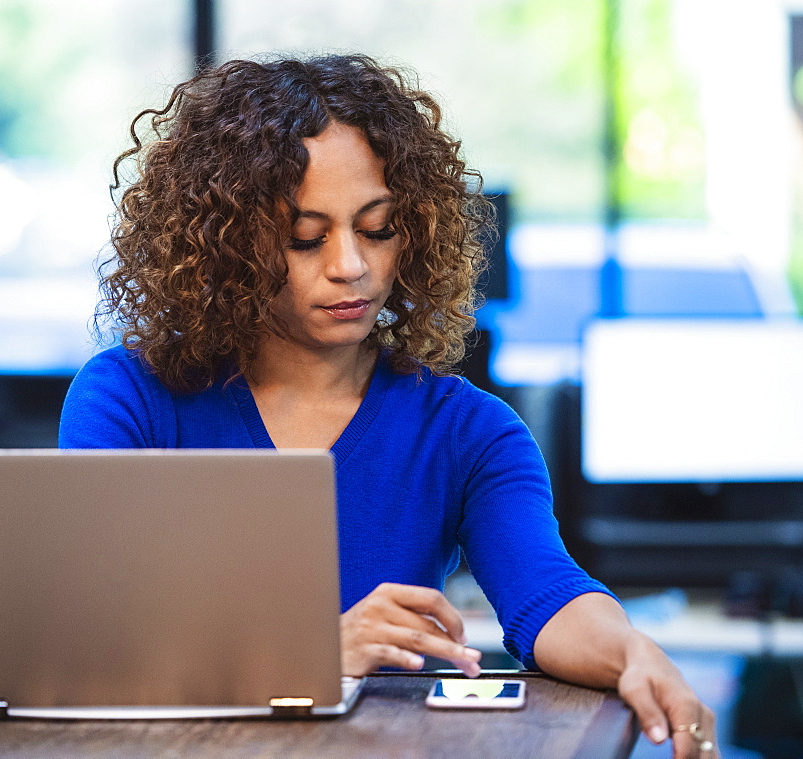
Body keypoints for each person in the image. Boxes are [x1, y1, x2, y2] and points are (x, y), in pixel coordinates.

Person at [60, 54, 717, 757]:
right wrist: (310, 652)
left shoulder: (470, 432)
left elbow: (548, 593)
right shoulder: (130, 398)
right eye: (304, 237)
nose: (351, 265)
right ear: (226, 244)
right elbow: (91, 634)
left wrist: (631, 652)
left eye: (377, 228)